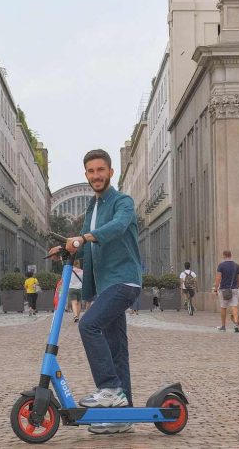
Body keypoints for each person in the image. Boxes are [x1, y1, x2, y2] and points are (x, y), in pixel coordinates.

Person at [51, 148, 143, 436]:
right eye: (90, 172)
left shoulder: (122, 202)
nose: (95, 176)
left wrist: (83, 238)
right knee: (117, 349)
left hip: (124, 281)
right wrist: (67, 249)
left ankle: (110, 388)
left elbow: (116, 228)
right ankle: (122, 415)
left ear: (110, 172)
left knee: (89, 325)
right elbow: (88, 246)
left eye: (100, 170)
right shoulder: (92, 208)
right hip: (105, 285)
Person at [214, 250, 239, 333]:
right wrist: (236, 287)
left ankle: (223, 326)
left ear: (224, 255)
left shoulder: (221, 265)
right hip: (234, 288)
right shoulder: (236, 266)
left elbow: (218, 278)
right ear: (230, 255)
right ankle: (236, 324)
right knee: (234, 306)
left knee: (223, 307)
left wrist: (216, 288)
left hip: (224, 289)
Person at [68, 259, 84, 323]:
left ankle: (75, 316)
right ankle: (78, 316)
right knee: (79, 303)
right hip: (80, 288)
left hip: (72, 288)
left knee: (74, 303)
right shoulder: (82, 271)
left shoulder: (70, 271)